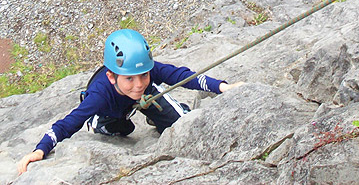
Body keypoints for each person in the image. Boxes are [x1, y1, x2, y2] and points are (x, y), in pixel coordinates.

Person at [17, 29, 242, 175]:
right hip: (111, 111)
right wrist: (40, 150)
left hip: (145, 99)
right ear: (111, 76)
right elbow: (68, 123)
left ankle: (155, 113)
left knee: (181, 121)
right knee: (124, 128)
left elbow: (183, 76)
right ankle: (100, 123)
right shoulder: (99, 95)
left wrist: (222, 87)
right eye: (129, 78)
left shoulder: (146, 77)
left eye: (144, 74)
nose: (138, 83)